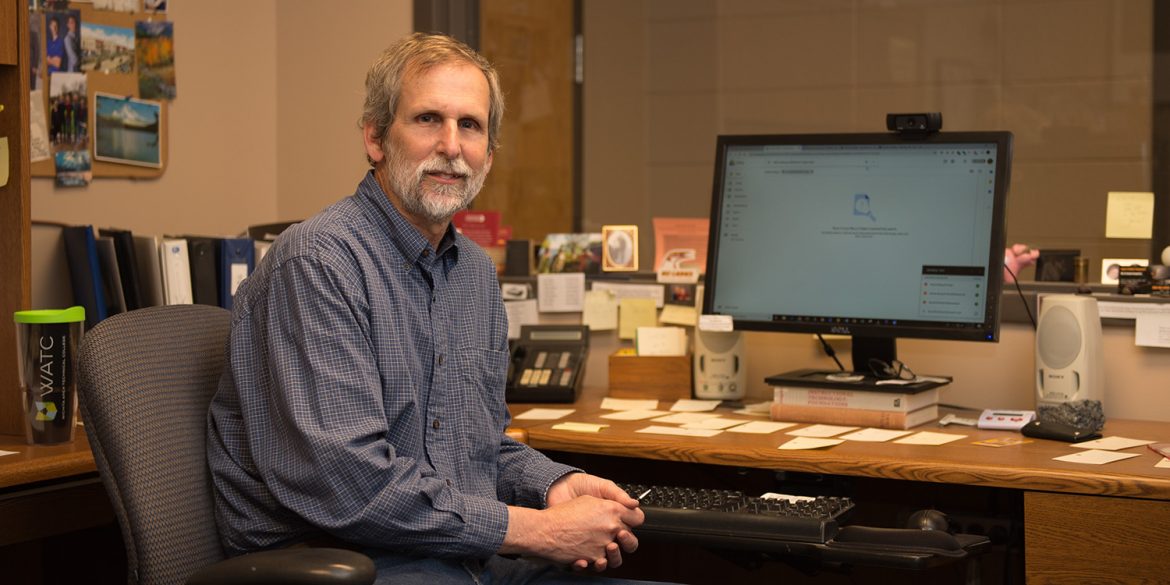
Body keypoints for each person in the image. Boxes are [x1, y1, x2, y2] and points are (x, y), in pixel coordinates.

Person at [207, 33, 662, 585]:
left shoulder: (471, 272)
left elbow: (476, 449)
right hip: (347, 565)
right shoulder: (318, 263)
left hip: (456, 557)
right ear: (376, 138)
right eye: (428, 119)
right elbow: (352, 485)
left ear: (488, 155)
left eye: (470, 125)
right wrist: (539, 530)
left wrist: (552, 485)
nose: (452, 145)